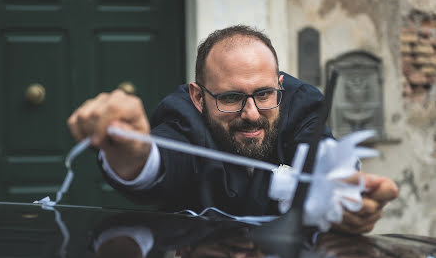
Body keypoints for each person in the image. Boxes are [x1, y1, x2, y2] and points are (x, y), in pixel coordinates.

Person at [68, 25, 398, 234]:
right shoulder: (182, 115)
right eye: (230, 97)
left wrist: (343, 194)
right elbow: (163, 159)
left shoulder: (303, 104)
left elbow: (321, 156)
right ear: (198, 96)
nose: (251, 114)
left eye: (265, 93)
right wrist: (135, 154)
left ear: (279, 84)